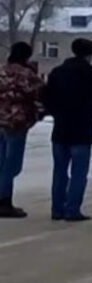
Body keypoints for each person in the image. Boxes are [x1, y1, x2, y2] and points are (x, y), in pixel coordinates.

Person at [44, 38, 92, 222]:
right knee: (79, 172)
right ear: (90, 55)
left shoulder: (57, 72)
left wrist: (57, 113)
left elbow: (46, 97)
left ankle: (56, 209)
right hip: (82, 129)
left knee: (59, 170)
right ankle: (72, 209)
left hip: (60, 128)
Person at [0, 42, 45, 219]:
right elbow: (41, 93)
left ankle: (5, 201)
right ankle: (3, 201)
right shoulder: (26, 75)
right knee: (12, 165)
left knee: (2, 163)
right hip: (16, 123)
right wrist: (39, 114)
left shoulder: (2, 70)